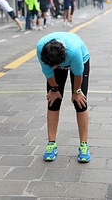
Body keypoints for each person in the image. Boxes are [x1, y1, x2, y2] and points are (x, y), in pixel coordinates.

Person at [36, 32, 91, 163]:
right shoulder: (41, 49)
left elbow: (78, 74)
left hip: (80, 60)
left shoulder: (74, 51)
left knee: (80, 103)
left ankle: (84, 145)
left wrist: (77, 91)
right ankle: (51, 144)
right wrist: (54, 89)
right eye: (53, 66)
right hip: (55, 57)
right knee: (53, 101)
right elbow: (48, 72)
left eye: (57, 65)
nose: (55, 68)